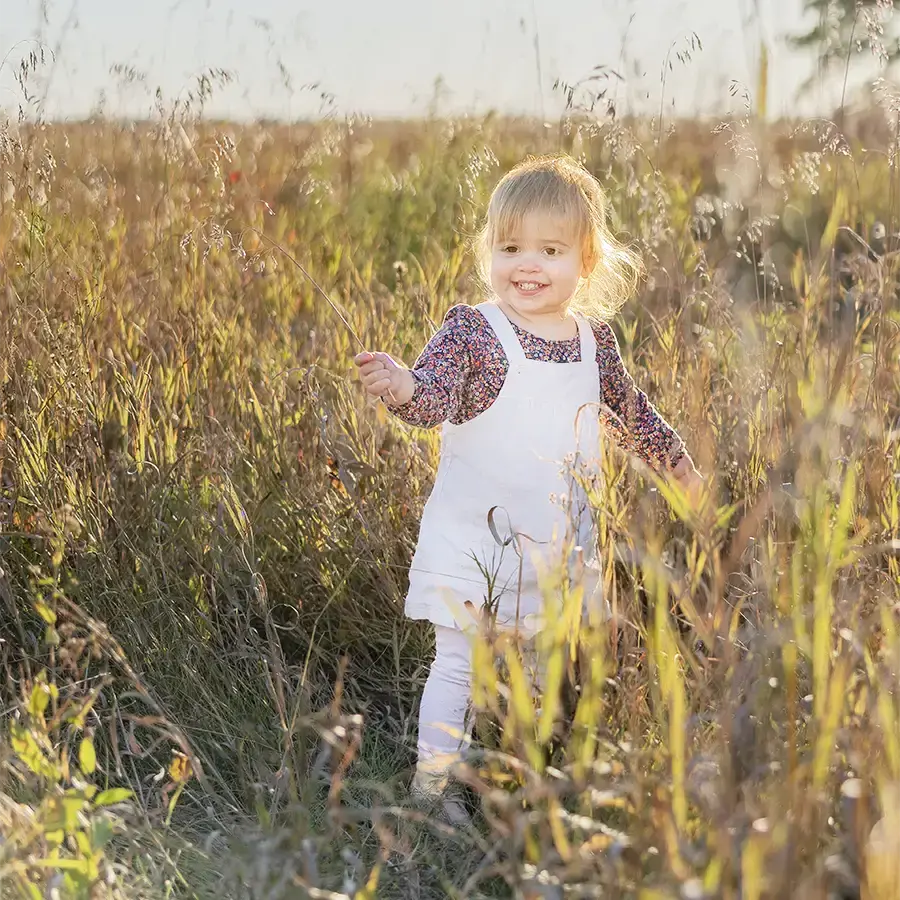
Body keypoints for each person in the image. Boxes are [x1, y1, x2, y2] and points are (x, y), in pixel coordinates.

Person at [354, 154, 702, 824]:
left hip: (555, 547)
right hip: (472, 539)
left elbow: (630, 415)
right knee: (456, 663)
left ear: (587, 260)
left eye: (549, 249)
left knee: (542, 670)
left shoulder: (593, 343)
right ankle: (433, 792)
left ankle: (522, 782)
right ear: (489, 249)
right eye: (510, 247)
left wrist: (680, 469)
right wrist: (401, 385)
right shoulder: (476, 330)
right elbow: (434, 398)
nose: (527, 265)